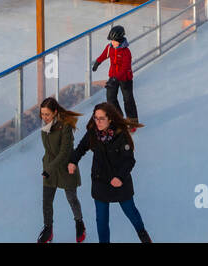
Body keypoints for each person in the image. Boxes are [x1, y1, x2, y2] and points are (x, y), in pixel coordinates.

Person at [67, 102, 151, 243]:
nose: (98, 122)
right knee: (101, 220)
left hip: (120, 182)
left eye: (101, 118)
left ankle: (143, 236)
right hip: (100, 181)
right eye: (95, 118)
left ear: (110, 119)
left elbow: (129, 160)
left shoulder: (120, 135)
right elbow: (81, 148)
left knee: (131, 212)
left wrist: (119, 177)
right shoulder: (93, 133)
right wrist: (73, 161)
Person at [37, 97, 85, 243]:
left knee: (71, 198)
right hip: (50, 167)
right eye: (42, 114)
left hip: (65, 168)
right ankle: (48, 229)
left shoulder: (65, 126)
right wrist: (46, 164)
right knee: (46, 201)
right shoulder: (45, 127)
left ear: (55, 112)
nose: (44, 118)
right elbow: (48, 150)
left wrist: (49, 168)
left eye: (47, 114)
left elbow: (64, 152)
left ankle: (79, 223)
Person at [93, 24, 137, 122]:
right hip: (113, 76)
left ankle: (132, 121)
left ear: (120, 40)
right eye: (111, 40)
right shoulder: (110, 47)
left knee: (128, 100)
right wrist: (98, 62)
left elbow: (125, 67)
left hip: (125, 78)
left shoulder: (126, 52)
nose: (112, 42)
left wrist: (115, 78)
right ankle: (118, 118)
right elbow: (104, 55)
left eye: (114, 41)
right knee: (110, 98)